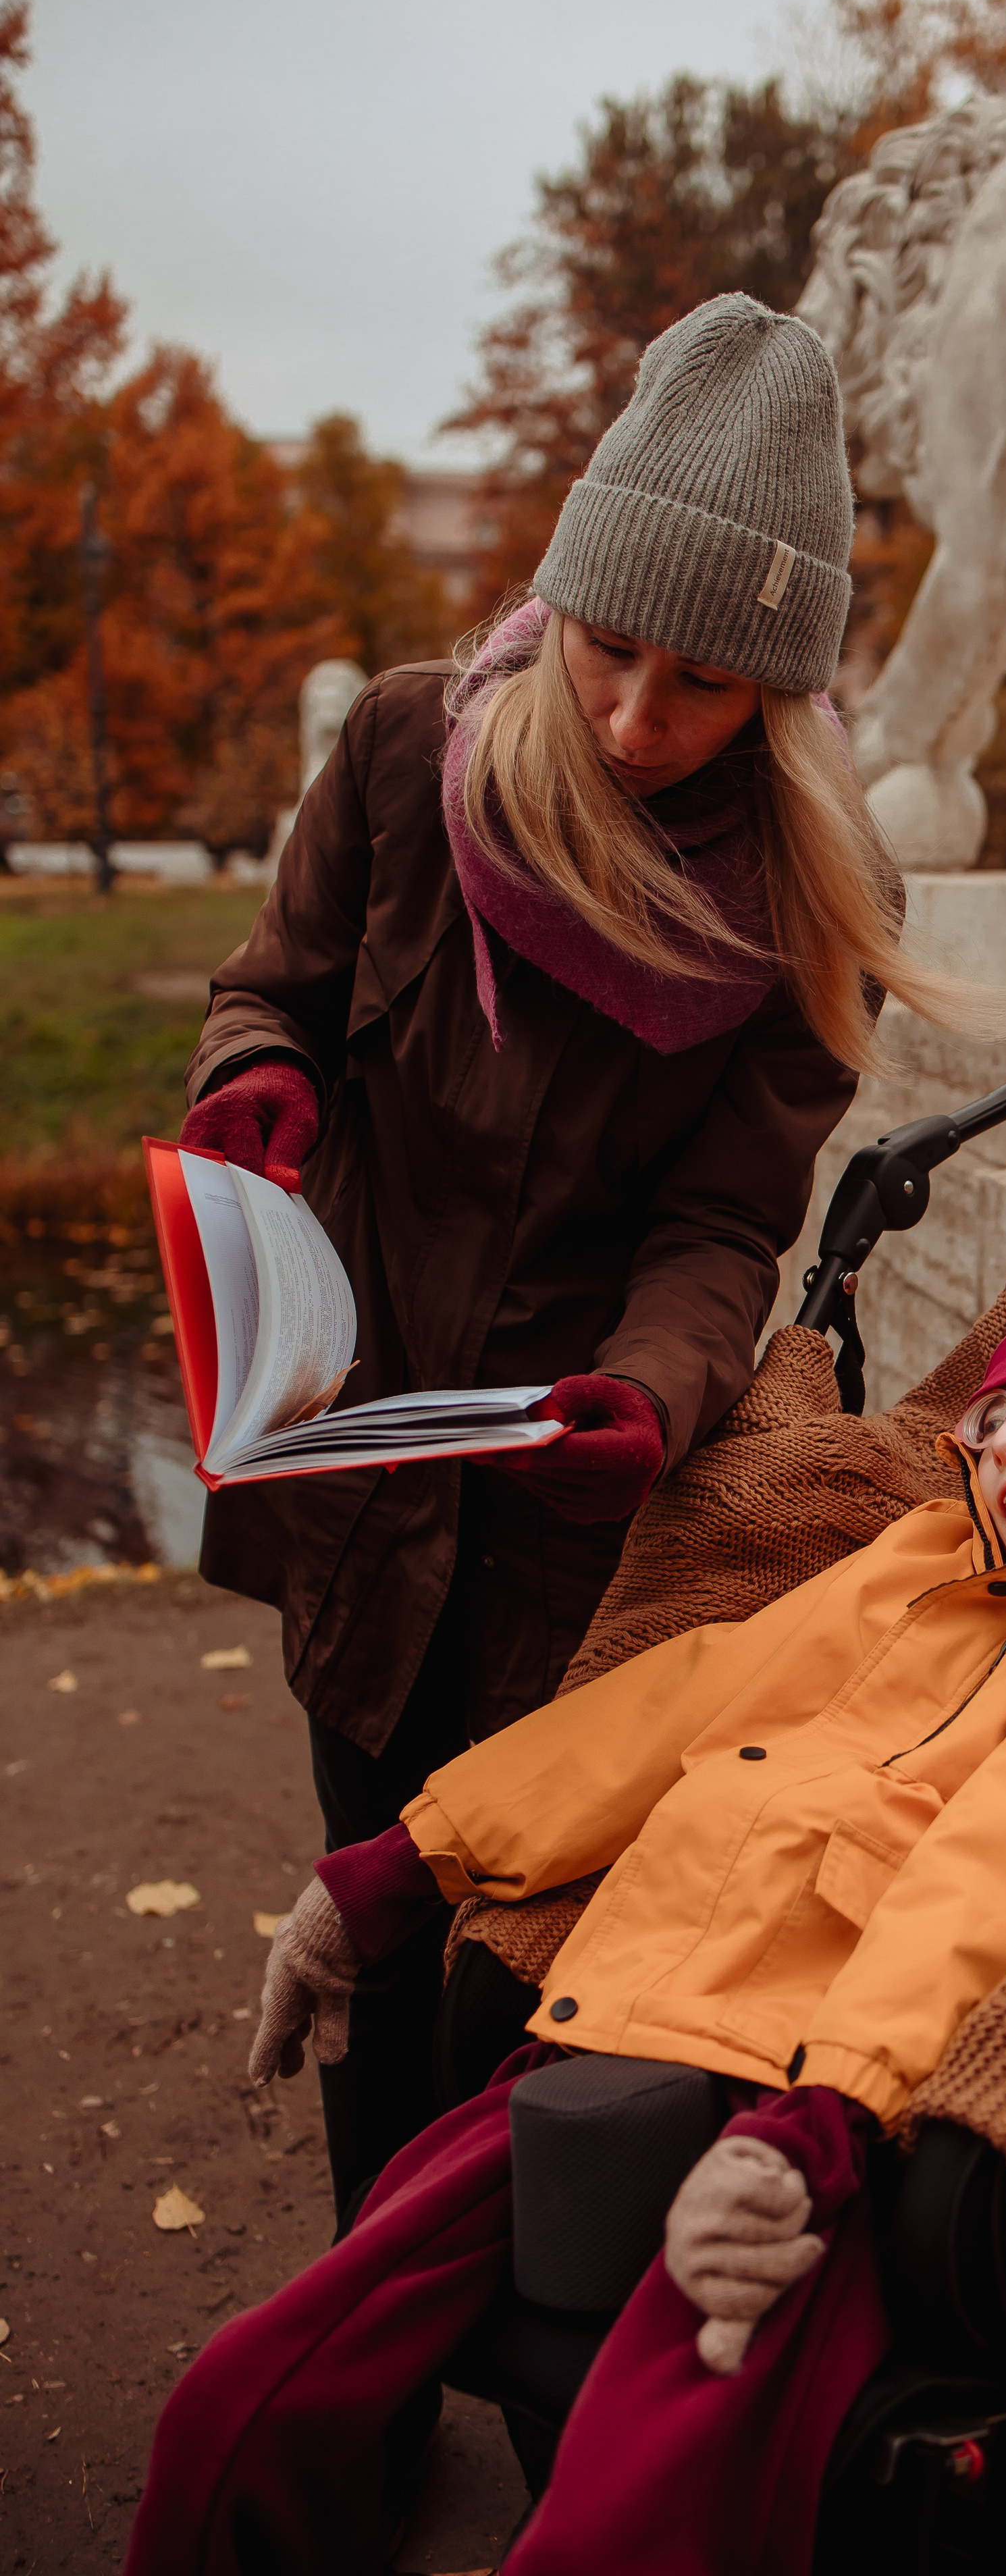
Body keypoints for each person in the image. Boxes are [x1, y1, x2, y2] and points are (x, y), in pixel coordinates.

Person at [125, 1250, 1006, 2576]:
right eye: (995, 1413)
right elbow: (691, 1697)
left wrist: (818, 2126)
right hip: (625, 2015)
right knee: (244, 2402)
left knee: (626, 2515)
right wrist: (396, 1868)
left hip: (831, 2104)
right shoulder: (924, 1559)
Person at [177, 294, 960, 2211]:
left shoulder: (815, 897)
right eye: (610, 651)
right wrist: (254, 1083)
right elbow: (272, 989)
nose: (631, 721)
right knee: (366, 1924)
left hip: (569, 1531)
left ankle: (506, 2311)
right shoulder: (399, 750)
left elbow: (722, 1224)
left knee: (525, 1966)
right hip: (354, 1462)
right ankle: (368, 2312)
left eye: (703, 686)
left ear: (777, 694)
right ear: (562, 601)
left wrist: (655, 1388)